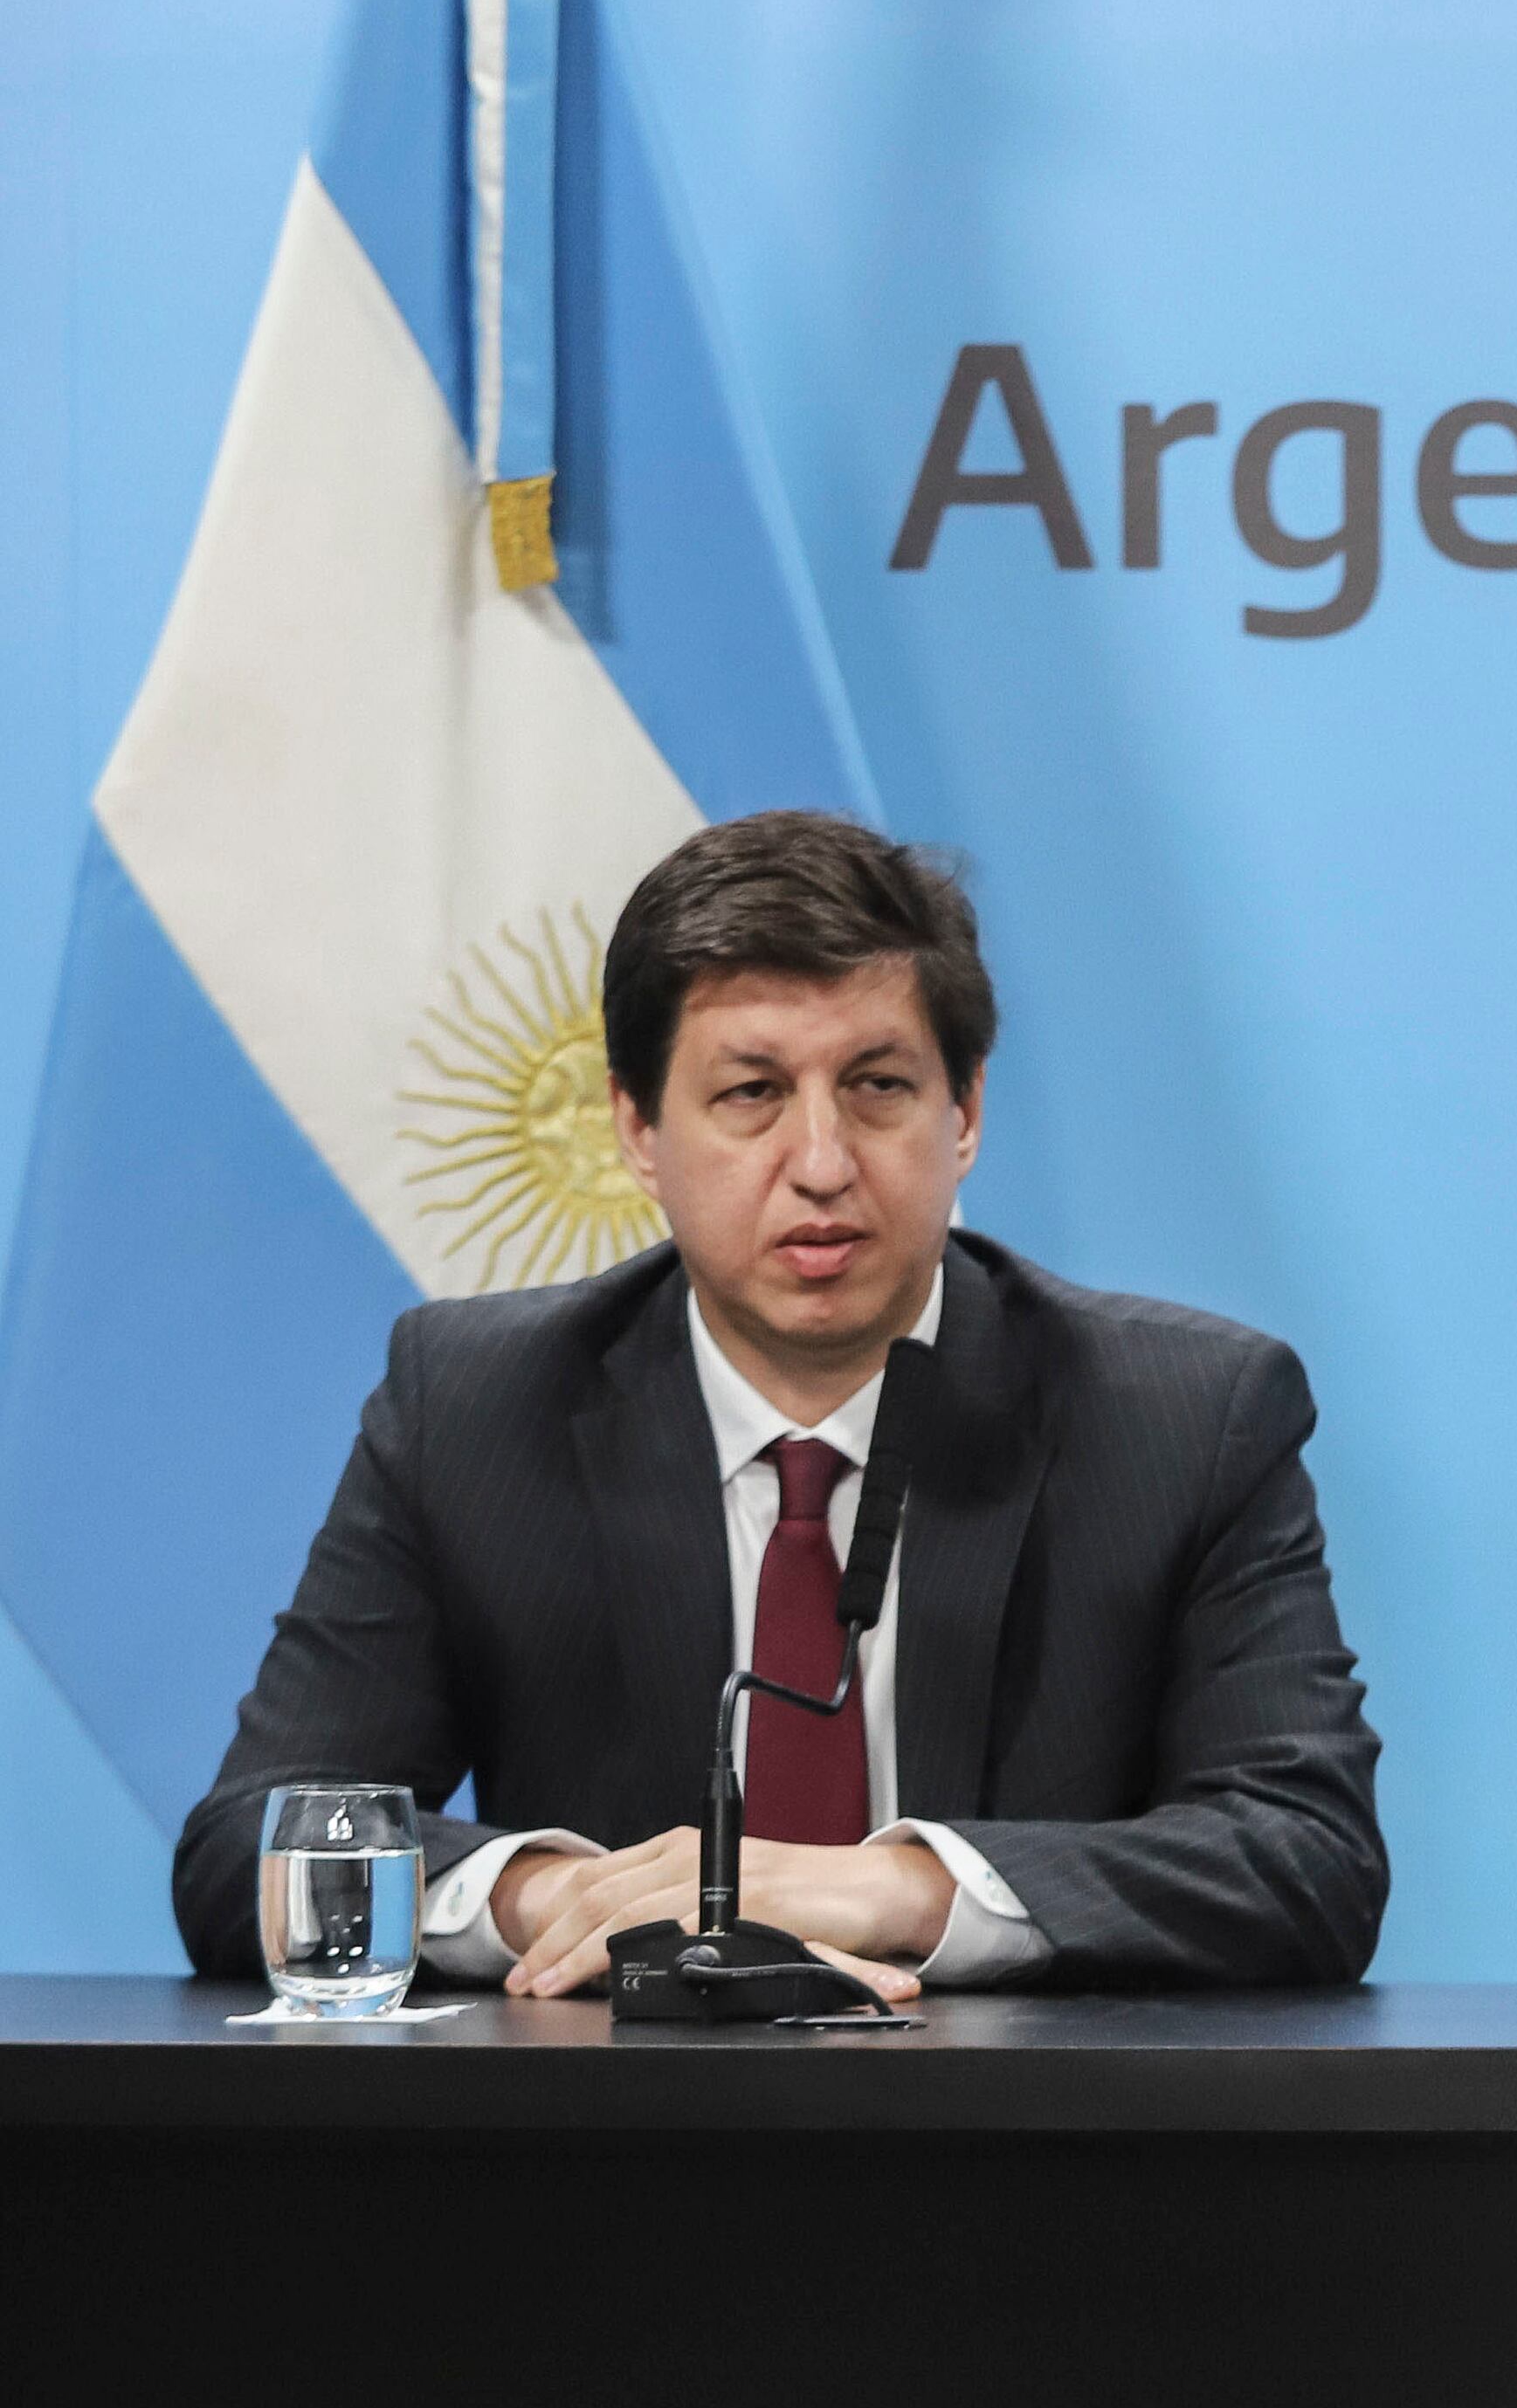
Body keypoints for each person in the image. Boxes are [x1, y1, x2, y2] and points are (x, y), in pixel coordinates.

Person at [174, 812, 1386, 1998]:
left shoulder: (1185, 1417)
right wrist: (551, 1897)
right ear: (639, 1130)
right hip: (607, 2164)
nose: (821, 1161)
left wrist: (904, 1888)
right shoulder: (479, 1409)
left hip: (1026, 2167)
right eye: (752, 1092)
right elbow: (248, 1849)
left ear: (962, 1115)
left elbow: (1308, 1858)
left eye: (876, 1085)